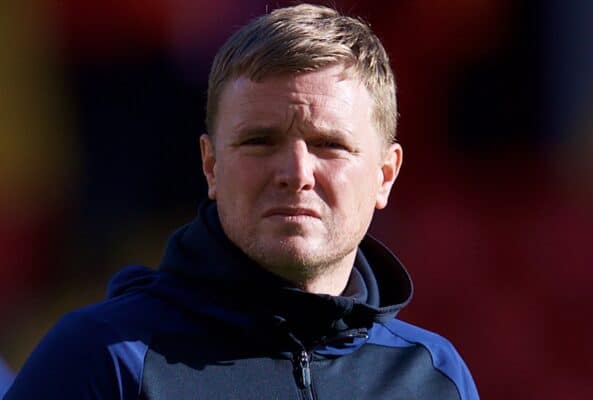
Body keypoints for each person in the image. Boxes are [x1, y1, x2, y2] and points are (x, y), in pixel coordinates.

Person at [5, 4, 479, 399]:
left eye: (329, 144)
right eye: (259, 141)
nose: (295, 174)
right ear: (210, 165)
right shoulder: (102, 360)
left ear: (385, 174)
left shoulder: (435, 378)